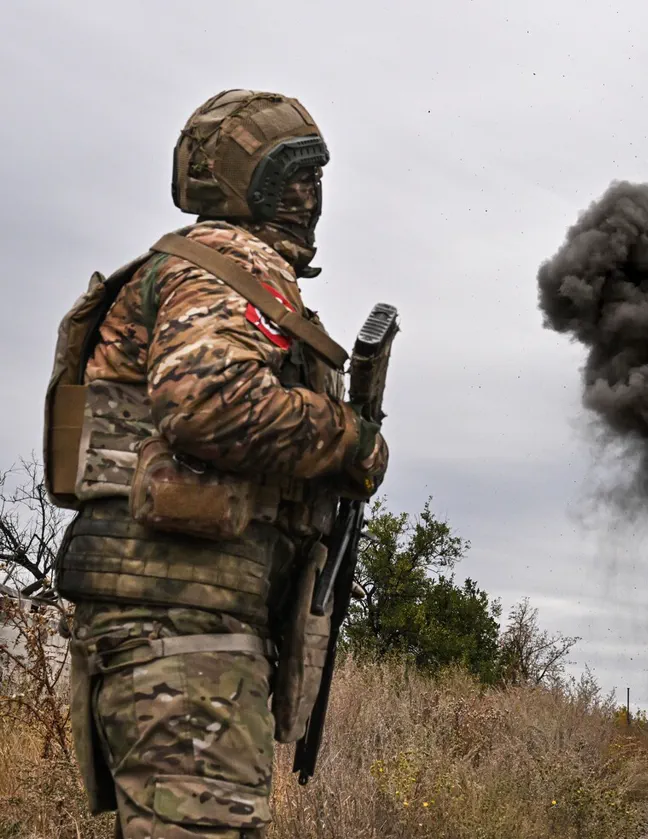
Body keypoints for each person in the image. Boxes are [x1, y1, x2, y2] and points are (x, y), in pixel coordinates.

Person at [51, 89, 388, 838]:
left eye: (316, 178)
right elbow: (209, 402)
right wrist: (352, 441)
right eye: (295, 176)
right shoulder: (227, 266)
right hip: (181, 626)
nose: (311, 198)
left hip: (178, 622)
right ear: (250, 184)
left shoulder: (207, 271)